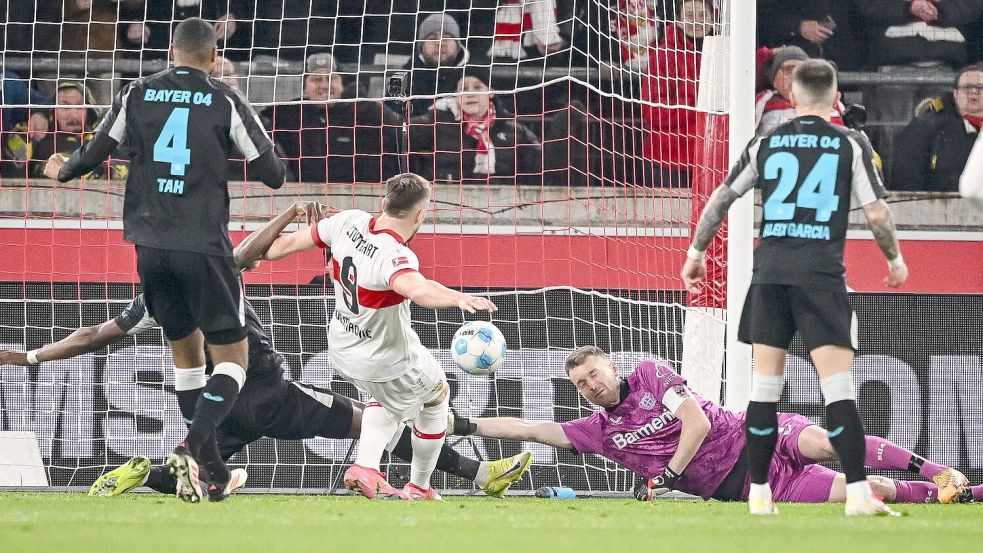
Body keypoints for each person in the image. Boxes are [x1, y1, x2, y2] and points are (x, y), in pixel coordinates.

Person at [0, 201, 532, 500]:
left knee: (205, 465)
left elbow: (93, 336)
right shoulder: (217, 274)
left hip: (223, 407)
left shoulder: (154, 302)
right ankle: (478, 475)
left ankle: (148, 471)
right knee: (376, 422)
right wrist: (291, 215)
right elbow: (248, 254)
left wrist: (29, 358)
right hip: (270, 393)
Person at [42, 17, 287, 503]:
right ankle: (192, 446)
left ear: (170, 52)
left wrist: (63, 171)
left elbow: (95, 151)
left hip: (149, 247)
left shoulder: (136, 92)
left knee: (187, 361)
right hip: (204, 246)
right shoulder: (225, 97)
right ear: (214, 56)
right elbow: (273, 173)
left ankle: (211, 474)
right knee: (232, 360)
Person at [680, 59, 909, 516]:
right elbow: (878, 214)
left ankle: (760, 494)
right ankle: (859, 494)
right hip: (820, 277)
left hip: (769, 276)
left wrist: (696, 252)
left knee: (764, 390)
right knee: (839, 390)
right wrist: (895, 259)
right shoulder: (850, 141)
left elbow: (722, 197)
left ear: (793, 94)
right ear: (835, 92)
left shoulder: (767, 141)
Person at [449, 347, 978, 505]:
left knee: (829, 442)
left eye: (595, 375)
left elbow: (697, 422)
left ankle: (938, 470)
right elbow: (530, 429)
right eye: (582, 385)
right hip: (753, 485)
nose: (591, 387)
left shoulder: (654, 374)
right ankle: (954, 495)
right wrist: (467, 421)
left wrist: (670, 473)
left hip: (754, 434)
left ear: (612, 366)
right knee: (868, 490)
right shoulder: (599, 431)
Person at [262, 173, 498, 500]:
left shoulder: (347, 221)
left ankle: (384, 472)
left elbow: (279, 248)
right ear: (420, 215)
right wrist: (458, 299)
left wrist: (254, 251)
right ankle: (404, 481)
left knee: (390, 398)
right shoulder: (394, 256)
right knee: (435, 396)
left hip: (343, 346)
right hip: (384, 357)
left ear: (383, 202)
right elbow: (417, 289)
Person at [262, 53, 400, 185]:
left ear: (342, 85)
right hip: (304, 196)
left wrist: (372, 107)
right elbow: (255, 127)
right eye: (316, 79)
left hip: (354, 196)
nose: (324, 85)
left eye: (331, 78)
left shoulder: (364, 111)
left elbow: (399, 133)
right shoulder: (287, 113)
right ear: (305, 88)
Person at [409, 70, 542, 186]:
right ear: (455, 95)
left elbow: (540, 166)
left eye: (477, 87)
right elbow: (400, 132)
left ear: (491, 92)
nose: (470, 94)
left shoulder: (515, 130)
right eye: (464, 89)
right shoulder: (437, 121)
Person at [640, 0, 714, 187]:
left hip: (710, 159)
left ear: (714, 20)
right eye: (689, 15)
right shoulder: (663, 55)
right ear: (678, 21)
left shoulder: (722, 53)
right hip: (669, 161)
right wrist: (698, 102)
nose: (697, 21)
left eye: (703, 15)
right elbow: (653, 111)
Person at [6, 82, 127, 180]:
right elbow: (13, 183)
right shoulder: (27, 133)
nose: (73, 115)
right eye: (65, 106)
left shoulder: (104, 137)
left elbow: (124, 172)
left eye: (80, 106)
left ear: (88, 110)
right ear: (54, 109)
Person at [891, 64, 983, 192]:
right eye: (967, 87)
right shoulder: (924, 128)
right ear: (955, 94)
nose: (974, 92)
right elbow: (906, 180)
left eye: (980, 88)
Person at [400, 13, 469, 116]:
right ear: (421, 46)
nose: (440, 43)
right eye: (432, 38)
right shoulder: (401, 78)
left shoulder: (474, 74)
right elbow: (391, 119)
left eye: (446, 37)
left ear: (457, 46)